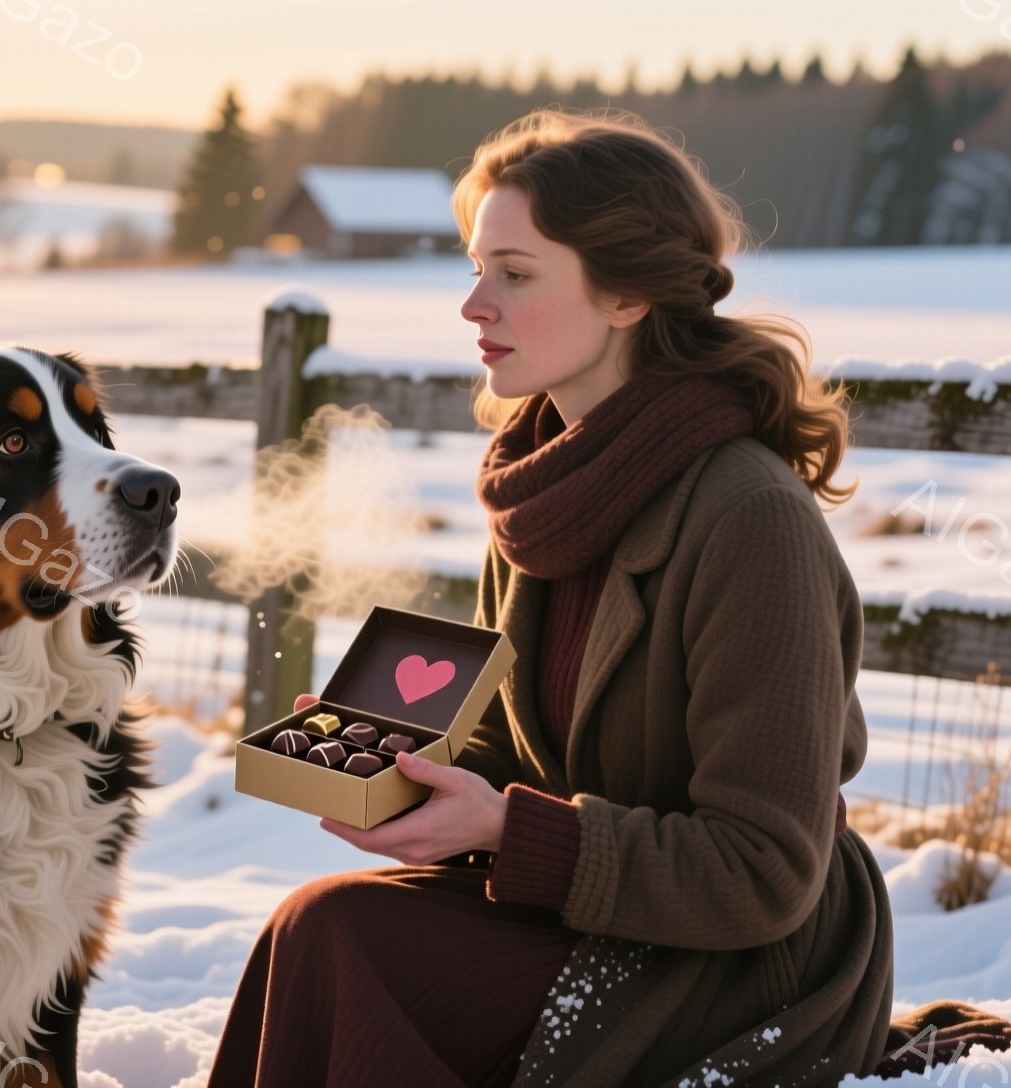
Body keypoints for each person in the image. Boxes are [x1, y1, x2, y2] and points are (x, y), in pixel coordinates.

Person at [209, 106, 918, 1087]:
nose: (473, 304)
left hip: (747, 961)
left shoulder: (750, 519)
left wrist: (507, 828)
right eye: (473, 266)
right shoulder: (543, 491)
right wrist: (399, 767)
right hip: (594, 907)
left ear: (626, 293)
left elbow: (765, 872)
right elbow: (530, 756)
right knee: (320, 923)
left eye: (515, 271)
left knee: (347, 937)